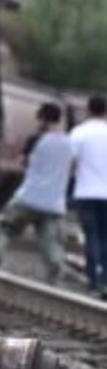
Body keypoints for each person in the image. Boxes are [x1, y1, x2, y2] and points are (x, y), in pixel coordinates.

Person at [0, 103, 72, 283]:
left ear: (43, 119)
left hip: (29, 198)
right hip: (55, 204)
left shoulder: (36, 139)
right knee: (50, 241)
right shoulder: (69, 143)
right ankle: (55, 274)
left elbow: (22, 162)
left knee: (4, 228)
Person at [70, 95, 107, 298]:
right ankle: (106, 280)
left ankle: (93, 282)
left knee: (91, 236)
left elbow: (71, 162)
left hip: (85, 193)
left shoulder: (79, 133)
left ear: (88, 109)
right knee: (105, 237)